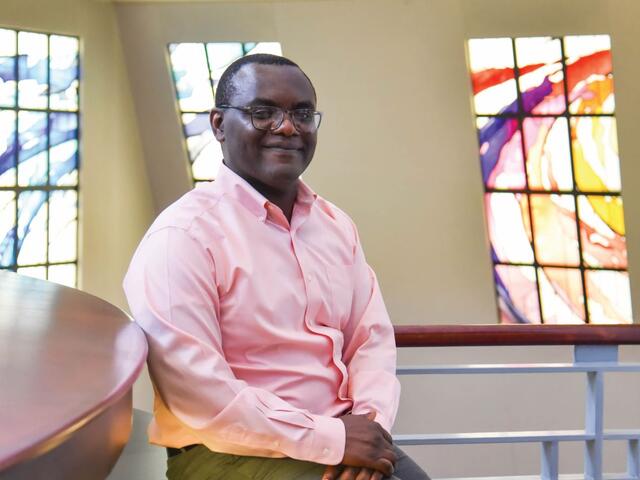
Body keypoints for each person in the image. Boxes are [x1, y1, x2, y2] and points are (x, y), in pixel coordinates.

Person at [123, 53, 429, 480]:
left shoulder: (335, 226)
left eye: (301, 113)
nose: (287, 127)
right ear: (218, 125)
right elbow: (202, 396)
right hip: (229, 448)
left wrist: (370, 425)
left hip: (346, 430)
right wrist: (333, 439)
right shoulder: (181, 238)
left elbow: (370, 339)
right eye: (262, 113)